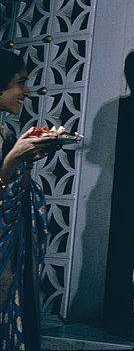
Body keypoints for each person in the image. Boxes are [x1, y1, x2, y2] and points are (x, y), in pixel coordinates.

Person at [0, 49, 60, 350]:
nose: (27, 91)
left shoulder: (6, 131)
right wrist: (13, 158)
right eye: (20, 82)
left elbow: (14, 192)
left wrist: (28, 158)